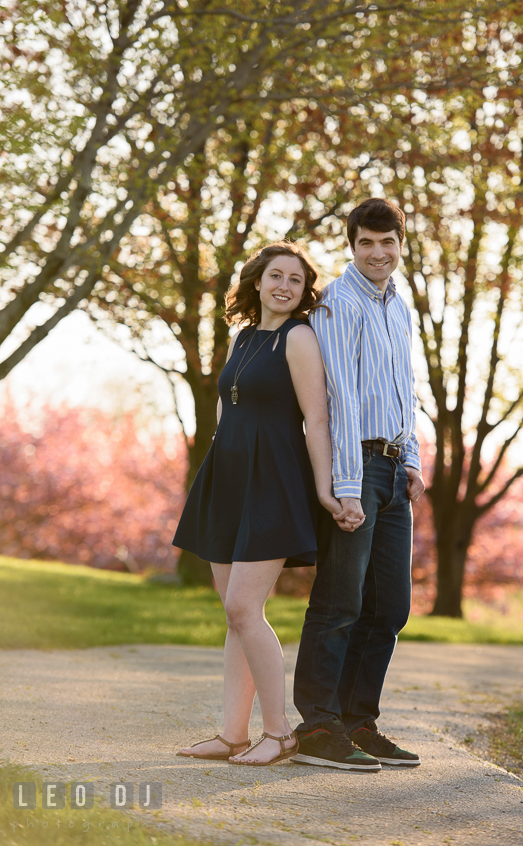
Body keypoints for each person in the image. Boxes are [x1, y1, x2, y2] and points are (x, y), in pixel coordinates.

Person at [172, 241, 344, 766]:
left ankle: (280, 733)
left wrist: (322, 488)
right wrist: (222, 470)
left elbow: (317, 419)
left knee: (245, 607)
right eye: (276, 276)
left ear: (303, 291)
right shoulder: (243, 338)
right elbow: (229, 411)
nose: (285, 286)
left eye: (295, 279)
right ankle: (232, 734)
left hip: (275, 483)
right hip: (228, 480)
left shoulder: (299, 339)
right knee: (235, 615)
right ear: (258, 281)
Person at [292, 199, 425, 772]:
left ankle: (357, 721)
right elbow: (338, 400)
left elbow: (405, 387)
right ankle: (318, 725)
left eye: (387, 242)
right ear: (352, 244)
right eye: (366, 243)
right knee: (340, 600)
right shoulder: (337, 305)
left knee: (389, 607)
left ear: (401, 244)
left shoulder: (400, 305)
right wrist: (347, 485)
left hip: (396, 470)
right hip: (359, 468)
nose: (377, 253)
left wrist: (413, 459)